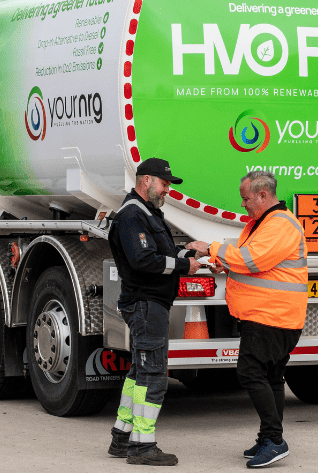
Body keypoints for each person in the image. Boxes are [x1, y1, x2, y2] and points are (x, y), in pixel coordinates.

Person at [186, 170, 308, 468]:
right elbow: (254, 263)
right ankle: (269, 437)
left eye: (246, 198)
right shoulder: (264, 223)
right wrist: (223, 264)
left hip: (271, 315)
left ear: (263, 195)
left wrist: (211, 248)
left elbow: (253, 260)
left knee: (250, 373)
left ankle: (275, 441)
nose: (243, 204)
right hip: (273, 314)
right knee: (271, 376)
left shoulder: (279, 224)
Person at [107, 157, 204, 467]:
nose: (167, 190)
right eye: (164, 184)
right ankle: (142, 445)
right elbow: (143, 260)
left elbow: (160, 252)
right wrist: (185, 265)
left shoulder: (146, 213)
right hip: (147, 304)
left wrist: (189, 251)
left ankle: (122, 437)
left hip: (149, 304)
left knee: (139, 372)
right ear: (146, 181)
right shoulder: (133, 215)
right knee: (154, 375)